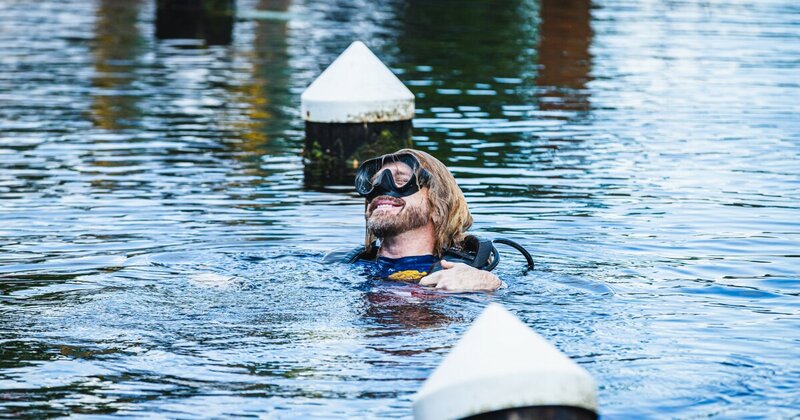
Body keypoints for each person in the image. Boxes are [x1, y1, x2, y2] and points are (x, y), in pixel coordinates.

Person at [325, 149, 503, 292]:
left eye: (401, 180)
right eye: (374, 183)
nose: (381, 189)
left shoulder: (465, 273)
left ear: (437, 207)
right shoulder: (339, 264)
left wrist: (493, 285)